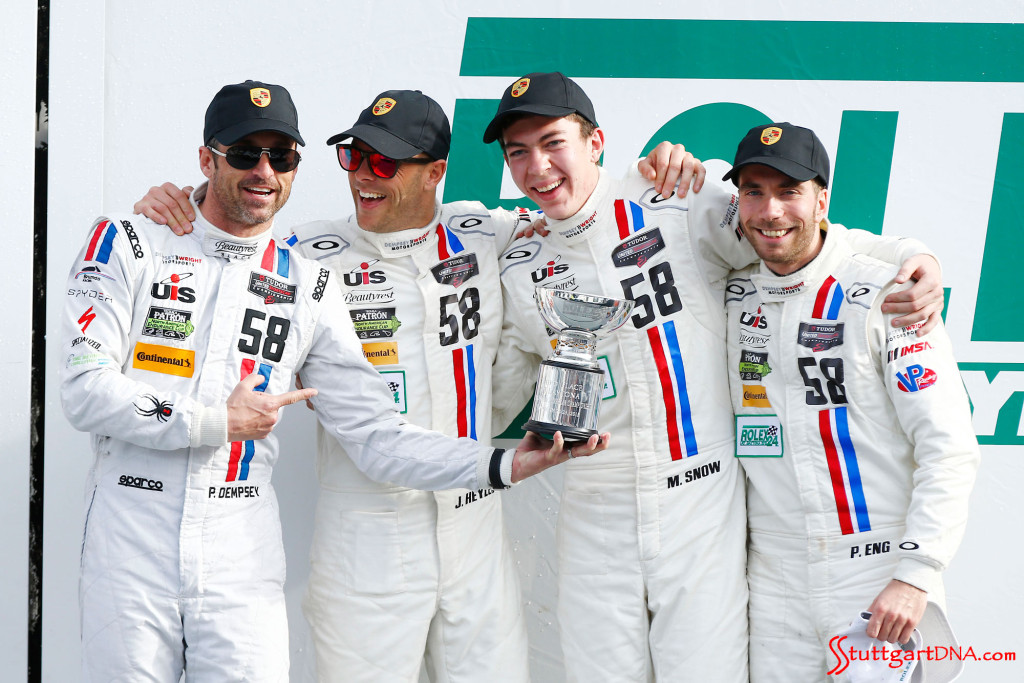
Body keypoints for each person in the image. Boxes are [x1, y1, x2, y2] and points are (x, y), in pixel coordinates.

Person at [60, 79, 607, 683]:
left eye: (282, 156)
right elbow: (84, 390)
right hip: (134, 536)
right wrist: (215, 421)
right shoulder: (140, 241)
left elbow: (375, 432)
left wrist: (507, 465)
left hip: (250, 548)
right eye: (244, 153)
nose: (264, 170)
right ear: (206, 157)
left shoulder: (316, 278)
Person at [485, 72, 945, 682]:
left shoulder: (676, 199)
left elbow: (793, 235)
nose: (537, 167)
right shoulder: (521, 260)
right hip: (594, 507)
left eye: (552, 142)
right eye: (518, 152)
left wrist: (912, 253)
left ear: (596, 141)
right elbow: (494, 394)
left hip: (700, 503)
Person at [721, 122, 979, 681]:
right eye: (753, 192)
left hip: (877, 570)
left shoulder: (891, 294)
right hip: (773, 581)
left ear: (821, 200)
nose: (770, 212)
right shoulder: (729, 290)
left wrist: (916, 574)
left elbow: (950, 448)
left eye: (789, 192)